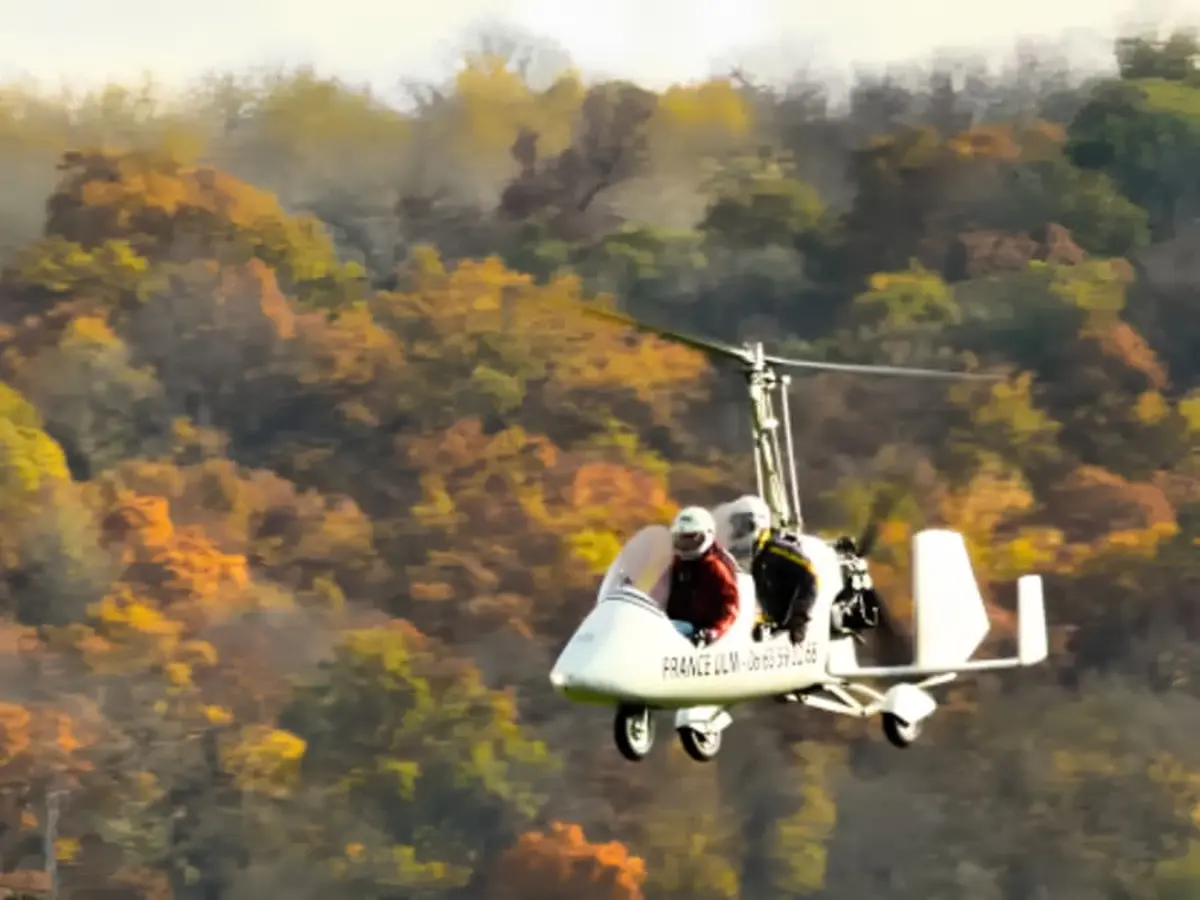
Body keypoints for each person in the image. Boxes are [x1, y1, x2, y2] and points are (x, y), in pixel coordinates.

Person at [662, 506, 741, 647]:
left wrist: (714, 632)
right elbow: (657, 592)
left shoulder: (715, 567)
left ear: (708, 535)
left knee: (670, 628)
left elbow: (730, 608)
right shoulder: (676, 564)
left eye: (691, 538)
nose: (685, 545)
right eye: (681, 539)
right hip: (676, 624)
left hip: (701, 631)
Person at [749, 513, 819, 645]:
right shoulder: (754, 558)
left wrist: (799, 618)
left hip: (796, 624)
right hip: (775, 627)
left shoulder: (778, 549)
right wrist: (763, 621)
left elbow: (811, 577)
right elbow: (762, 594)